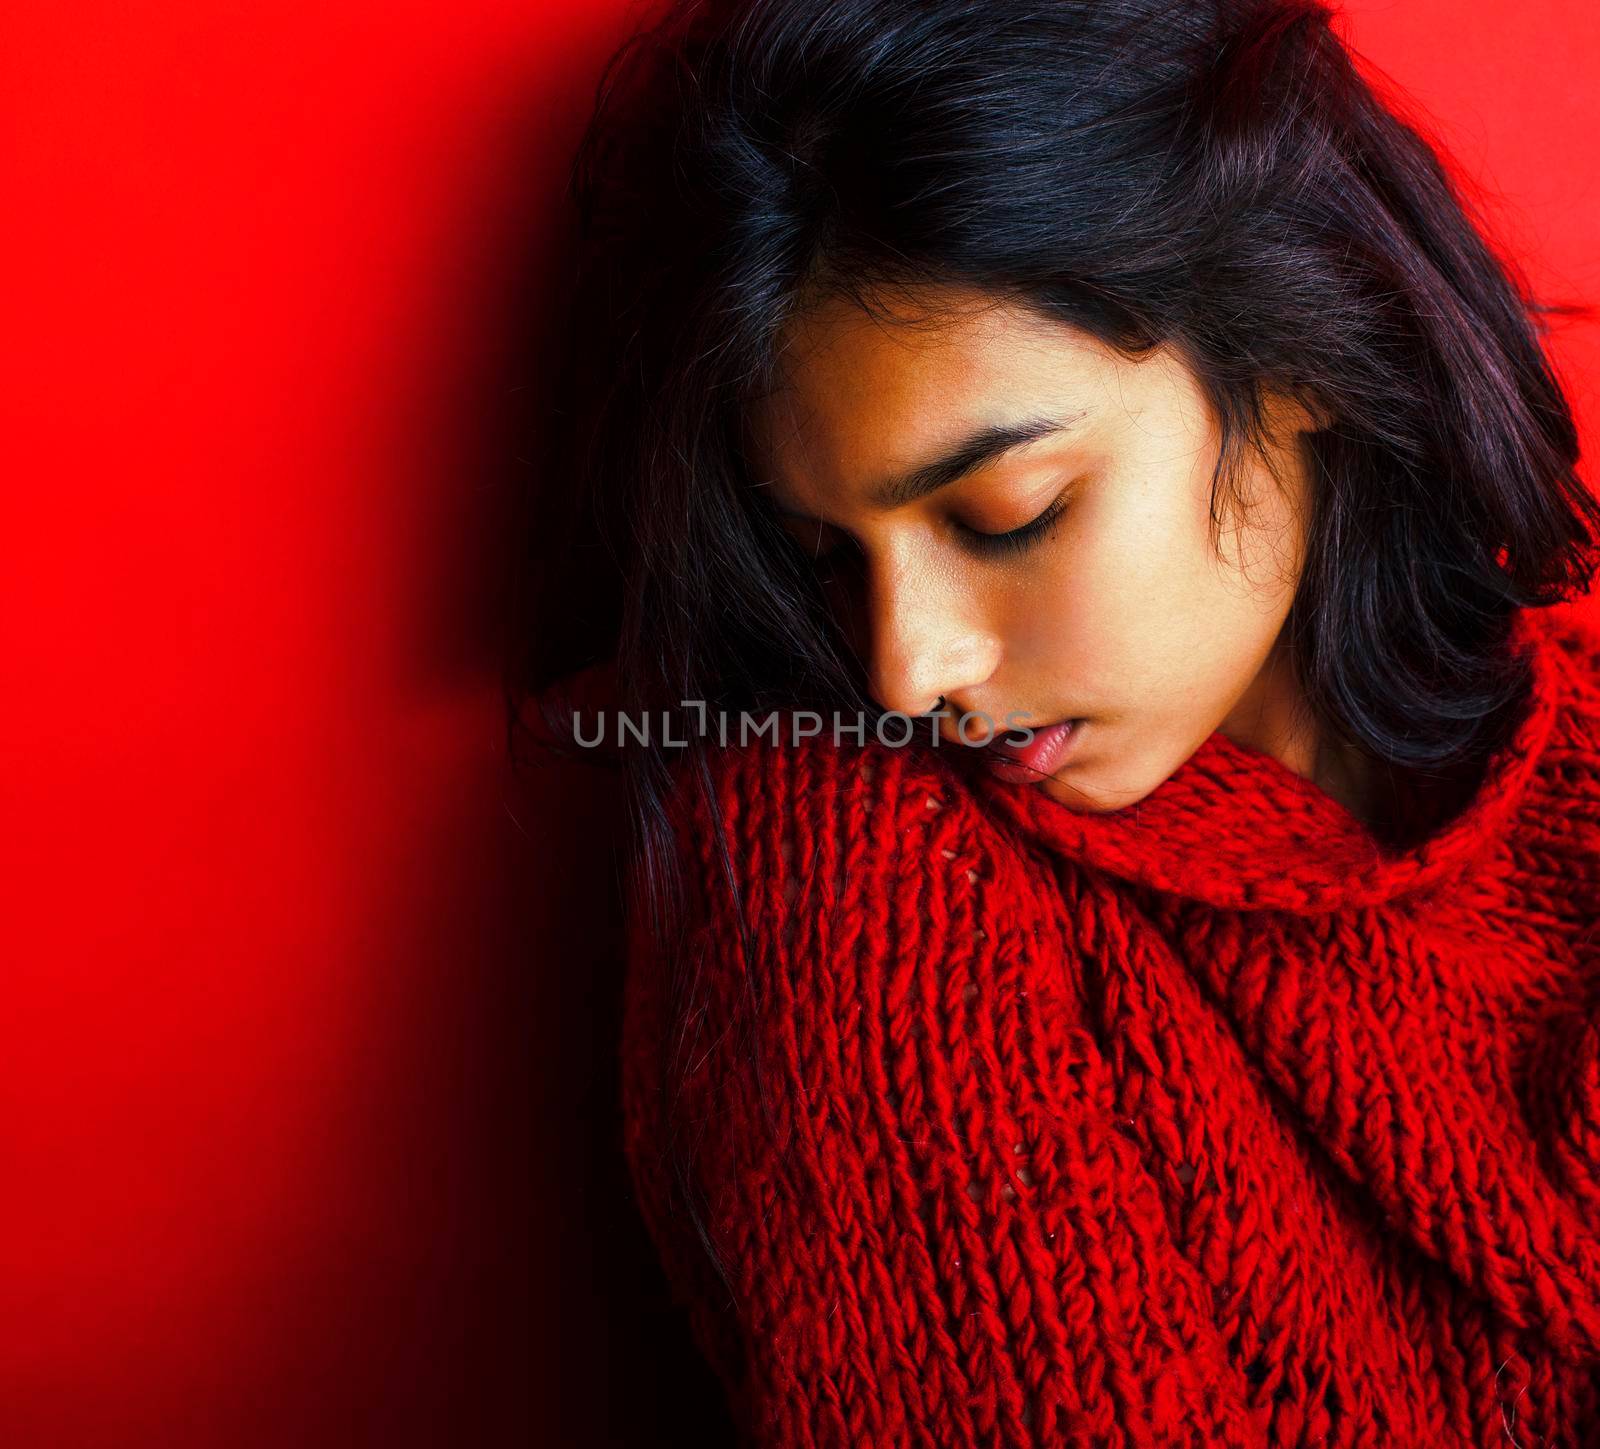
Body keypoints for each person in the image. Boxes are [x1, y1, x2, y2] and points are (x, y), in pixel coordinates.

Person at [507, 0, 1600, 1441]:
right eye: (830, 553)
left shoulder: (1566, 726)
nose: (906, 671)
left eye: (1005, 513)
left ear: (1307, 349)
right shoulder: (858, 868)